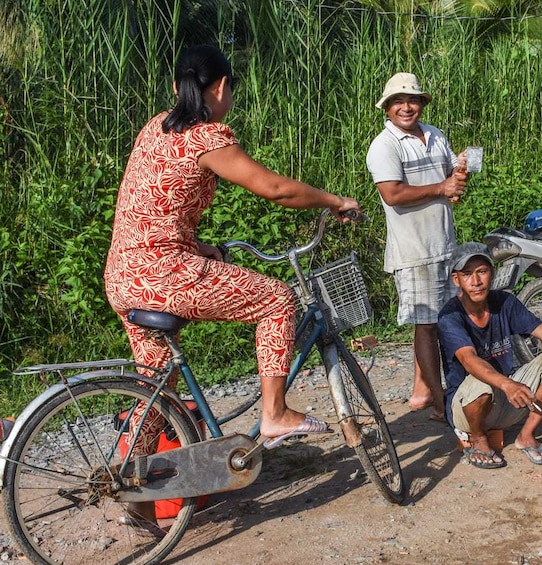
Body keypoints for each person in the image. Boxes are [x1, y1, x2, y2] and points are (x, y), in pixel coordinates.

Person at [104, 45, 360, 524]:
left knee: (158, 385)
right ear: (219, 87)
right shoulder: (208, 136)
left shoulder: (156, 127)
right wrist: (332, 200)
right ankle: (276, 414)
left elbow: (152, 214)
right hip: (163, 273)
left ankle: (131, 491)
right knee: (278, 300)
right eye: (230, 92)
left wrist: (203, 250)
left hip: (125, 274)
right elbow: (274, 188)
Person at [366, 72, 468, 422]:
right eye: (399, 101)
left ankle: (422, 391)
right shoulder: (385, 145)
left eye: (412, 100)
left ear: (421, 104)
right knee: (427, 325)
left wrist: (460, 173)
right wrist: (442, 188)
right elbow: (391, 193)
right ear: (388, 107)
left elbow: (450, 175)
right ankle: (441, 403)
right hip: (414, 250)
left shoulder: (435, 134)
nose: (406, 107)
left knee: (440, 320)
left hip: (443, 243)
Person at [437, 242, 542, 468]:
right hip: (467, 409)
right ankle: (479, 441)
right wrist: (509, 385)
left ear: (492, 274)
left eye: (482, 271)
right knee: (481, 382)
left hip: (506, 399)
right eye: (467, 274)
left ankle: (526, 435)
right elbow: (469, 361)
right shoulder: (449, 315)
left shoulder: (504, 302)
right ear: (456, 280)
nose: (476, 281)